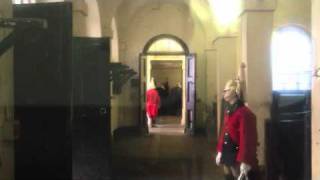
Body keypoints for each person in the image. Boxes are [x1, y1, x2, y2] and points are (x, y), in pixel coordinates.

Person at [215, 79, 259, 180]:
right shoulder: (229, 109)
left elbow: (246, 138)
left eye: (226, 90)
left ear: (233, 91)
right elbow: (225, 131)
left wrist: (245, 160)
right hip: (228, 150)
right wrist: (220, 151)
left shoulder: (244, 113)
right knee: (228, 175)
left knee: (237, 175)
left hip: (236, 153)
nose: (224, 92)